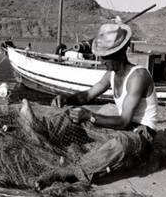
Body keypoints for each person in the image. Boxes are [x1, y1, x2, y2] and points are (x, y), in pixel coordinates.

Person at [36, 22, 158, 188]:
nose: (102, 61)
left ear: (121, 53)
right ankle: (44, 138)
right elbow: (87, 95)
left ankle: (68, 173)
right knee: (70, 116)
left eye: (106, 56)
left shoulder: (138, 76)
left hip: (140, 135)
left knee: (120, 143)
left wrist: (90, 116)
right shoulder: (111, 74)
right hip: (121, 129)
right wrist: (66, 99)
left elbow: (124, 121)